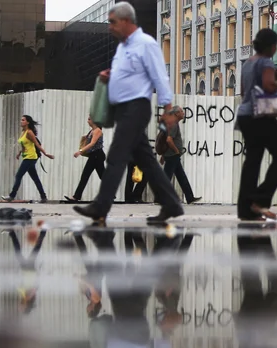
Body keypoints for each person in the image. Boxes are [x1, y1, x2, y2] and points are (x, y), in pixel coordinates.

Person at [73, 2, 184, 225]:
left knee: (116, 156)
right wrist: (110, 76)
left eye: (112, 22)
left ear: (126, 21)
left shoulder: (145, 44)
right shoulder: (123, 48)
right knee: (147, 161)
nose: (109, 27)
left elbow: (160, 77)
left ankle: (100, 206)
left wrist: (168, 110)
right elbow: (129, 76)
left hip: (137, 107)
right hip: (123, 109)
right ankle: (171, 203)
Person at [236, 28, 277, 221]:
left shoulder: (247, 63)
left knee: (252, 161)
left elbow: (243, 92)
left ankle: (245, 210)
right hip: (261, 115)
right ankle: (260, 200)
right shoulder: (266, 62)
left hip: (245, 115)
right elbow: (268, 86)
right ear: (271, 46)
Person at [2, 115, 53, 202]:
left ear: (28, 122)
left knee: (19, 175)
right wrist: (19, 152)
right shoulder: (23, 132)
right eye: (21, 120)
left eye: (23, 120)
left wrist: (45, 153)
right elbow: (24, 144)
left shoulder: (29, 132)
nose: (21, 121)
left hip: (31, 157)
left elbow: (36, 144)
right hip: (27, 157)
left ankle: (12, 196)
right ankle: (43, 197)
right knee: (35, 178)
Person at [160, 106, 201, 204]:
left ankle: (190, 197)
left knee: (181, 176)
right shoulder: (174, 124)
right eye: (181, 111)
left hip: (171, 155)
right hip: (172, 155)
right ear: (176, 114)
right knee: (167, 177)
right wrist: (176, 151)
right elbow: (169, 140)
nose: (183, 113)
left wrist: (163, 154)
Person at [66, 116, 105, 202]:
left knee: (86, 176)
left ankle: (76, 196)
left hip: (97, 155)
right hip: (94, 156)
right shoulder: (92, 131)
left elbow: (92, 143)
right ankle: (77, 196)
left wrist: (80, 151)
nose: (88, 121)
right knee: (99, 176)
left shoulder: (98, 131)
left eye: (89, 119)